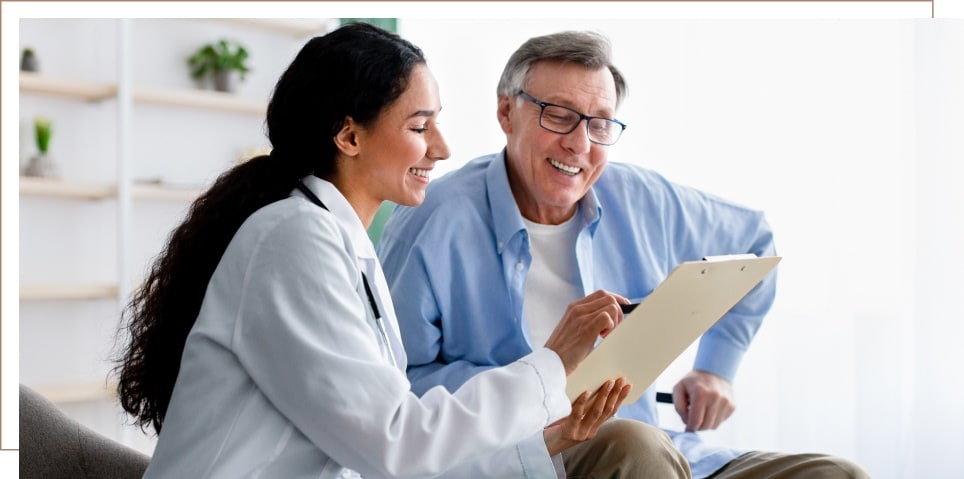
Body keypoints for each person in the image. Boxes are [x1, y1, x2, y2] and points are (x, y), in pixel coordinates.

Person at [112, 23, 634, 479]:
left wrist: (548, 440)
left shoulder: (342, 245)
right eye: (418, 126)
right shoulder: (291, 239)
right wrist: (551, 363)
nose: (442, 147)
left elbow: (383, 454)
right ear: (349, 135)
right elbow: (396, 444)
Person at [378, 30, 871, 479]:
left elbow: (755, 242)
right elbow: (398, 391)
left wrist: (716, 368)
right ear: (507, 113)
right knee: (635, 446)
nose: (579, 144)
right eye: (559, 116)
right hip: (524, 458)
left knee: (836, 474)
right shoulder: (430, 221)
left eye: (600, 125)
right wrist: (541, 382)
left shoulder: (641, 198)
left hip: (664, 455)